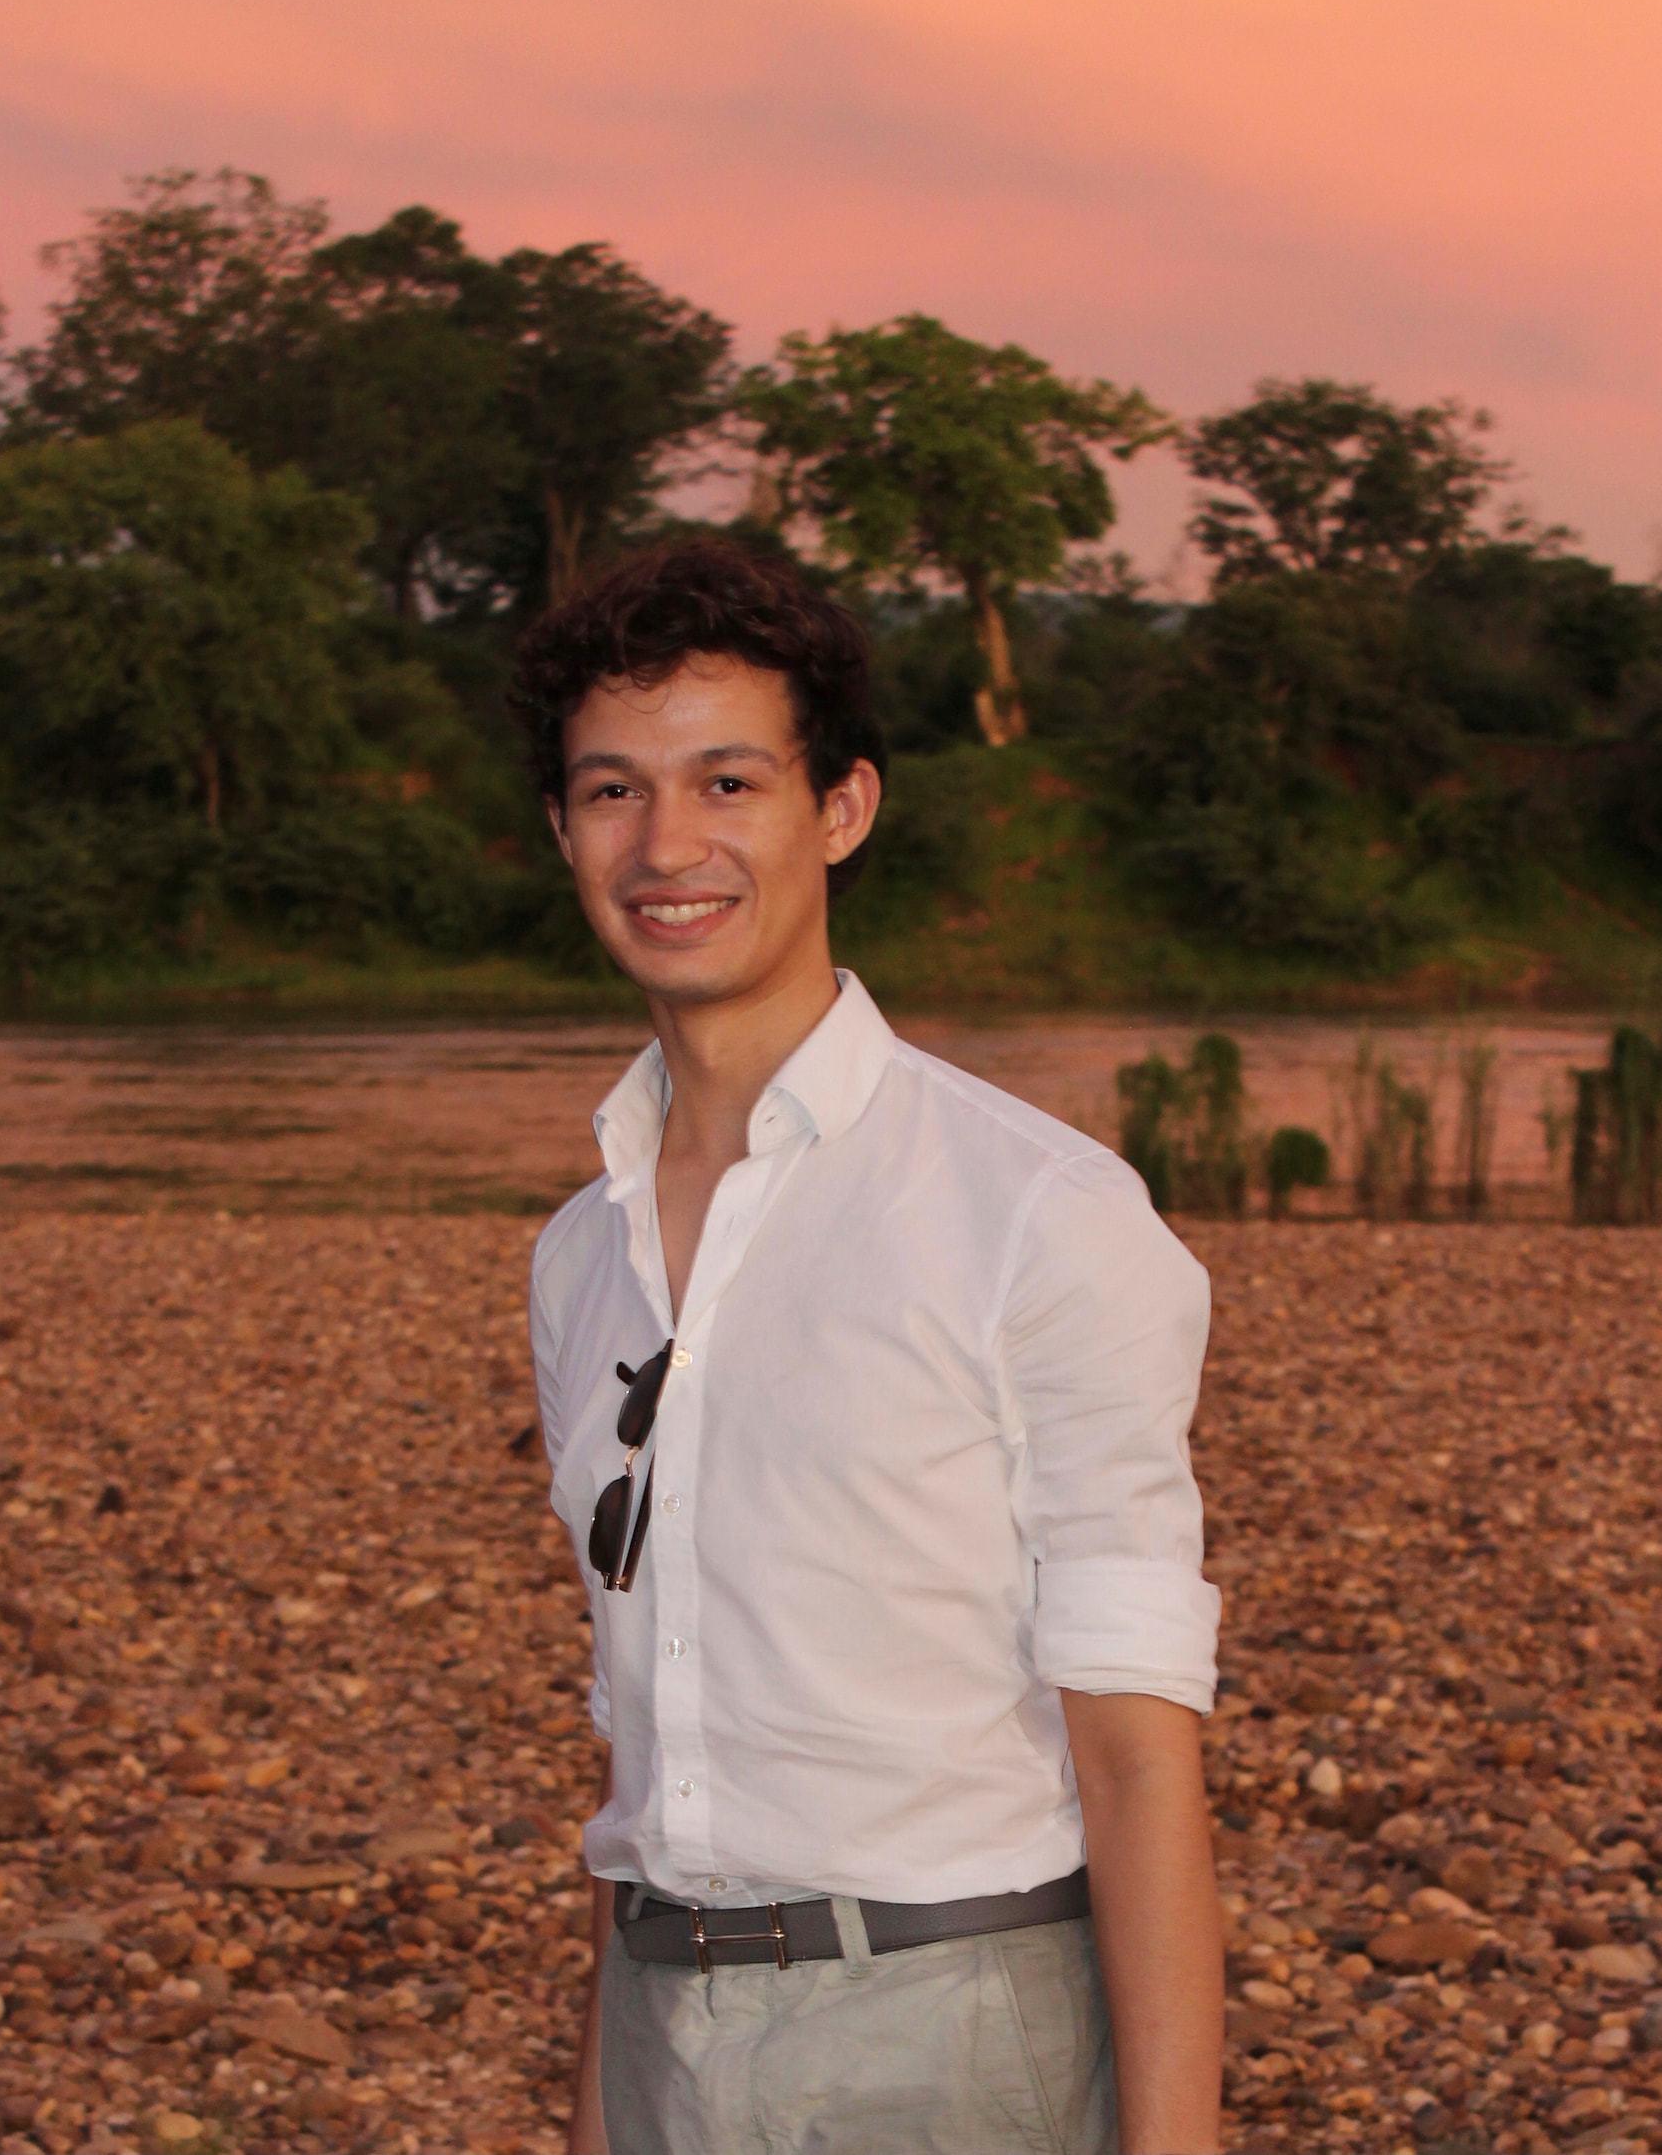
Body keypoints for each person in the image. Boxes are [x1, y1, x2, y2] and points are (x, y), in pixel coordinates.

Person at [511, 540, 1225, 2155]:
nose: (668, 844)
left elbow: (1133, 1756)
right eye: (613, 791)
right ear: (561, 829)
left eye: (729, 781)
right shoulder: (580, 1259)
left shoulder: (1036, 1212)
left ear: (840, 809)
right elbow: (643, 1732)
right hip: (655, 2017)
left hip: (956, 2028)